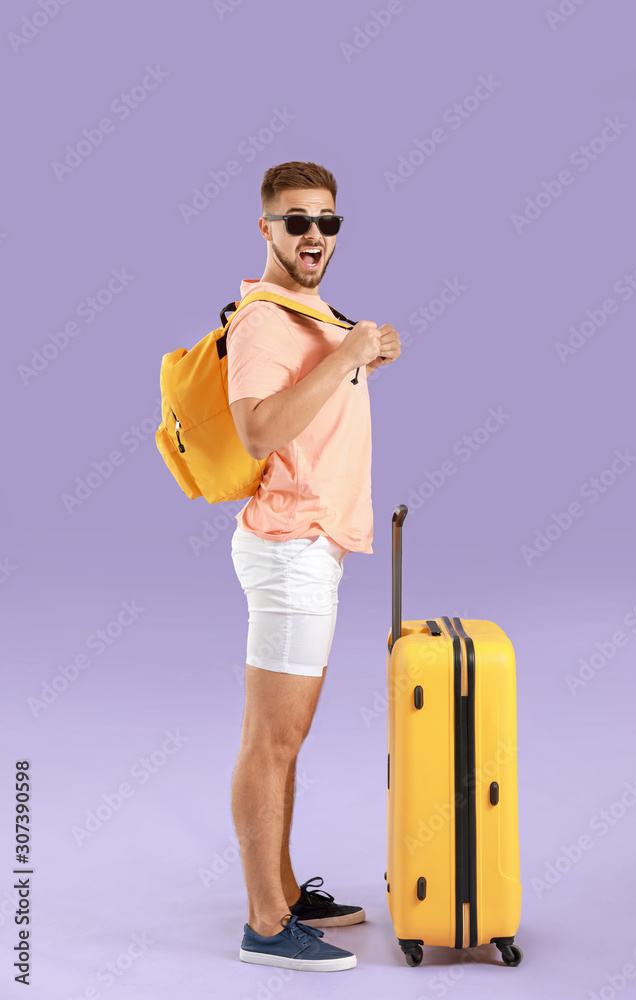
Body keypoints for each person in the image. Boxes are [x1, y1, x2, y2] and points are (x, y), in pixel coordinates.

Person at [227, 161, 401, 972]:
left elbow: (313, 409)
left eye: (327, 222)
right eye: (296, 222)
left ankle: (286, 891)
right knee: (271, 739)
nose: (313, 237)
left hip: (313, 545)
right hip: (290, 546)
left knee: (286, 739)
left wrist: (360, 355)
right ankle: (265, 925)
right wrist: (348, 354)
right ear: (266, 229)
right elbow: (258, 432)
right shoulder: (264, 321)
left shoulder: (313, 313)